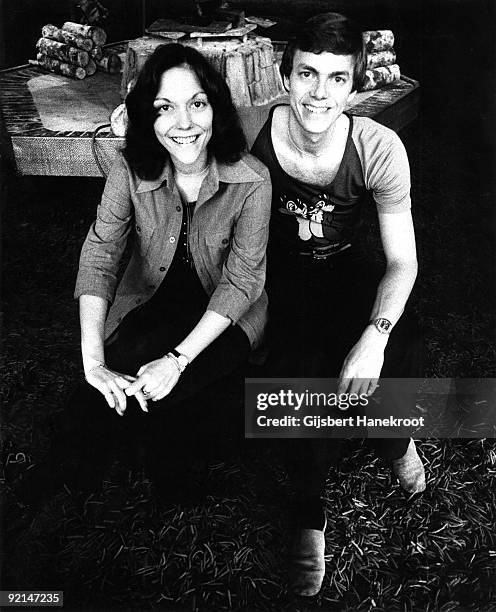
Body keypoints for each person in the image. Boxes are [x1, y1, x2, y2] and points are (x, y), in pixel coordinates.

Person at [19, 43, 271, 506]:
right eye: (164, 108)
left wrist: (175, 360)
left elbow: (242, 284)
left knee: (165, 400)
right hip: (154, 299)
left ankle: (162, 456)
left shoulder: (252, 179)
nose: (184, 124)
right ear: (147, 117)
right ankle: (60, 475)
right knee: (110, 384)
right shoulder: (128, 169)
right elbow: (100, 255)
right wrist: (94, 362)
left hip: (225, 318)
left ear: (215, 107)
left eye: (197, 103)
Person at [251, 12, 426, 596]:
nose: (319, 93)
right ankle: (308, 515)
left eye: (335, 79)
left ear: (354, 88)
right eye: (307, 74)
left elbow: (403, 261)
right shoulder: (255, 131)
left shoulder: (378, 147)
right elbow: (184, 133)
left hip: (349, 272)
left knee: (394, 349)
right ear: (285, 76)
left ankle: (396, 441)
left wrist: (373, 338)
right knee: (293, 380)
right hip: (283, 280)